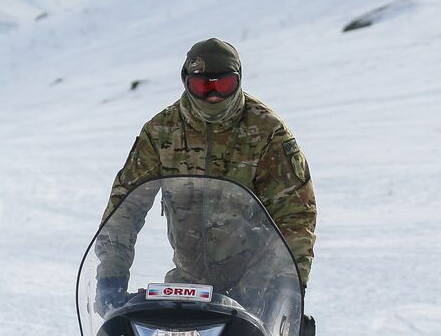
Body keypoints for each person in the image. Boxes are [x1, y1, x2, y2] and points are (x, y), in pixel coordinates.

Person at [95, 38, 316, 311]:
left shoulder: (267, 132)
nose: (213, 96)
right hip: (188, 286)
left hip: (258, 290)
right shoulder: (162, 131)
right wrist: (111, 276)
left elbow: (295, 215)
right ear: (186, 82)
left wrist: (288, 286)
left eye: (223, 86)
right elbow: (126, 206)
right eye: (202, 86)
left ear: (238, 81)